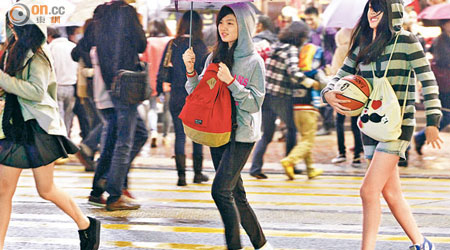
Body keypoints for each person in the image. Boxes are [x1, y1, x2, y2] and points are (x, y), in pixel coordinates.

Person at [322, 1, 442, 249]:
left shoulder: (407, 40)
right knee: (390, 192)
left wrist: (433, 121)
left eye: (378, 9)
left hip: (398, 126)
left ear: (391, 12)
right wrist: (328, 93)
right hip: (369, 125)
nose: (372, 14)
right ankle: (422, 244)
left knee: (368, 191)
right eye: (369, 9)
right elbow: (340, 74)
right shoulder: (362, 43)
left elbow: (428, 82)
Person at [0, 14, 100, 250]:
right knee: (3, 190)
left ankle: (85, 224)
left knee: (46, 189)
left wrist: (3, 80)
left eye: (13, 25)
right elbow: (13, 89)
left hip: (38, 129)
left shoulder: (38, 57)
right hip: (15, 127)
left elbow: (35, 92)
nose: (10, 29)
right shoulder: (13, 52)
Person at [183, 3, 273, 249]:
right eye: (221, 22)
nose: (223, 28)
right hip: (217, 131)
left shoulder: (255, 62)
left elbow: (255, 103)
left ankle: (234, 246)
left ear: (243, 26)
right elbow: (198, 94)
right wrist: (191, 71)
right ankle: (261, 244)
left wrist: (232, 82)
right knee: (236, 194)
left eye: (230, 23)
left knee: (220, 191)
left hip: (242, 135)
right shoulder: (214, 57)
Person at [87, 0, 148, 211]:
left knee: (132, 134)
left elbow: (84, 46)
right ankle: (114, 195)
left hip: (108, 84)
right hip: (125, 83)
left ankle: (101, 184)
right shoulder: (127, 12)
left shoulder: (100, 13)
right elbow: (141, 44)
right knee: (124, 140)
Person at [157, 11, 209, 187]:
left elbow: (161, 69)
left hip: (176, 94)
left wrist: (159, 90)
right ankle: (198, 174)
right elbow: (205, 72)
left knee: (179, 135)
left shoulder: (173, 44)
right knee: (196, 134)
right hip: (195, 95)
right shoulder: (200, 45)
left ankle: (181, 177)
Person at [275, 21, 324, 180]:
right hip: (309, 107)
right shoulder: (312, 72)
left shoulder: (294, 68)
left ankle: (310, 169)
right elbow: (323, 83)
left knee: (304, 138)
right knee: (308, 140)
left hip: (295, 107)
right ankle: (290, 161)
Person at [329, 28, 364, 168]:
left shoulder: (340, 50)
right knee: (356, 124)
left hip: (340, 90)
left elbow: (335, 71)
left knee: (339, 122)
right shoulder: (359, 49)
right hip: (356, 91)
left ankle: (341, 153)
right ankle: (356, 156)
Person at [414, 19, 450, 155]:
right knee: (447, 115)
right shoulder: (440, 40)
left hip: (448, 83)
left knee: (447, 115)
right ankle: (421, 136)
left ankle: (421, 136)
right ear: (444, 25)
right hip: (444, 85)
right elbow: (442, 60)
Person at [304, 6, 337, 136]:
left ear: (318, 16)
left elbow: (336, 48)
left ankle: (328, 125)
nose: (309, 22)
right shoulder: (310, 33)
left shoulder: (328, 31)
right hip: (315, 69)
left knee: (326, 96)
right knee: (319, 97)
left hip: (327, 69)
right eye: (307, 20)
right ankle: (327, 124)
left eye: (311, 19)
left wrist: (332, 64)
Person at [140, 18, 172, 148]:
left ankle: (153, 132)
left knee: (152, 107)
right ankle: (165, 135)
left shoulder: (149, 42)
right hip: (167, 79)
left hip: (152, 79)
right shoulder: (170, 41)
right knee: (167, 109)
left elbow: (143, 60)